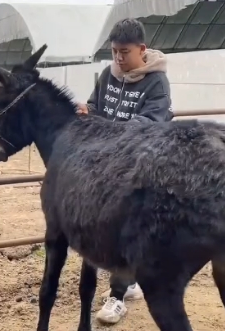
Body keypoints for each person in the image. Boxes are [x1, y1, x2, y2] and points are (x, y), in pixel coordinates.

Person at [77, 18, 173, 324]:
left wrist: (113, 132)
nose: (118, 58)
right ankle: (129, 284)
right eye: (115, 51)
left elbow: (152, 121)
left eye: (125, 52)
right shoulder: (109, 74)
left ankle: (117, 298)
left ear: (142, 49)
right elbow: (96, 106)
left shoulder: (156, 82)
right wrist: (87, 111)